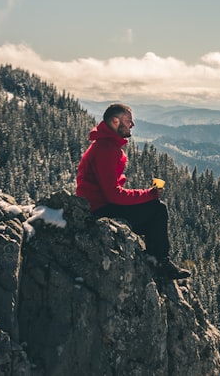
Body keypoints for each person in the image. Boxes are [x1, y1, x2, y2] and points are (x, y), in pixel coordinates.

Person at [76, 103, 190, 280]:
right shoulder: (106, 149)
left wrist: (146, 196)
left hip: (99, 204)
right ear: (115, 121)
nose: (132, 125)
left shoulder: (106, 145)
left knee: (152, 212)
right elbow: (113, 194)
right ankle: (159, 261)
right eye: (128, 121)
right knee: (157, 209)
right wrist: (149, 194)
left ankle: (155, 259)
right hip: (100, 209)